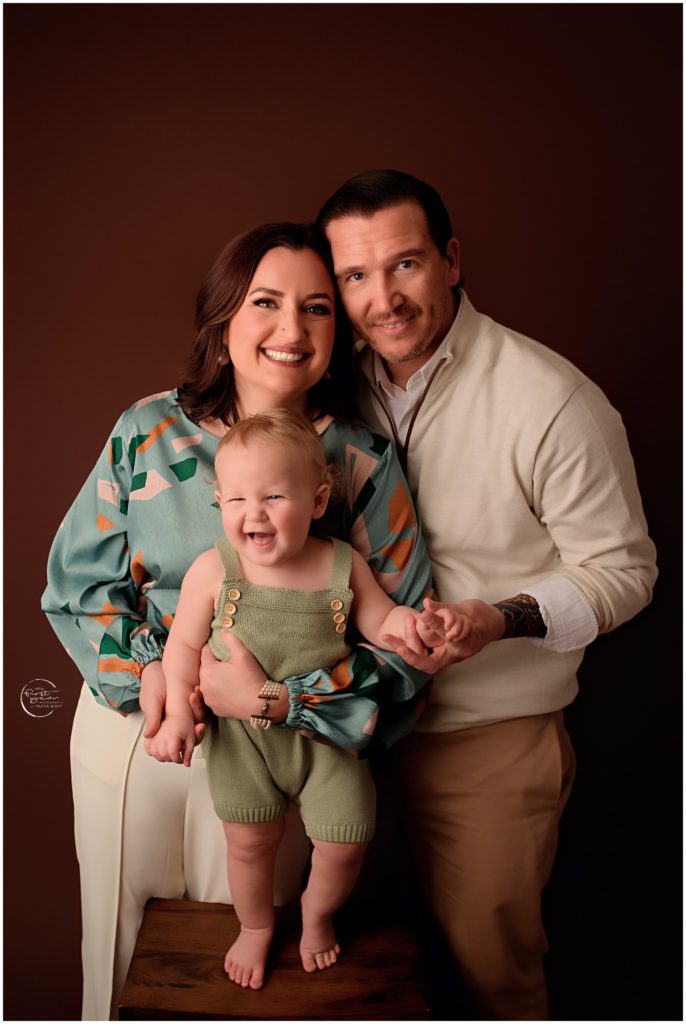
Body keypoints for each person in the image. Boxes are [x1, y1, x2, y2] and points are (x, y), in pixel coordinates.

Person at [41, 222, 435, 1020]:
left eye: (318, 309)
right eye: (266, 302)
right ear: (224, 320)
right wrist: (159, 675)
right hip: (141, 729)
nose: (291, 330)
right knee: (116, 959)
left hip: (292, 748)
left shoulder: (359, 459)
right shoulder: (146, 431)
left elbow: (402, 647)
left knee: (241, 965)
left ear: (339, 332)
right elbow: (78, 585)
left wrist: (274, 701)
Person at [315, 169, 658, 1020]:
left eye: (405, 265)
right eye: (355, 276)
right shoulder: (328, 387)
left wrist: (494, 619)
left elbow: (624, 571)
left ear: (452, 259)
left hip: (482, 743)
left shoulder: (553, 399)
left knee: (488, 982)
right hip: (335, 732)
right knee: (344, 981)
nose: (383, 299)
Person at [147, 409, 462, 988]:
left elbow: (381, 620)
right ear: (218, 502)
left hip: (326, 737)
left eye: (273, 496)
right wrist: (172, 716)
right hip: (242, 742)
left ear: (318, 502)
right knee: (248, 844)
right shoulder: (214, 570)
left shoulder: (343, 564)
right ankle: (256, 927)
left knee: (345, 842)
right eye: (236, 499)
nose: (254, 513)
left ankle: (317, 915)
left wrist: (414, 628)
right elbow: (182, 648)